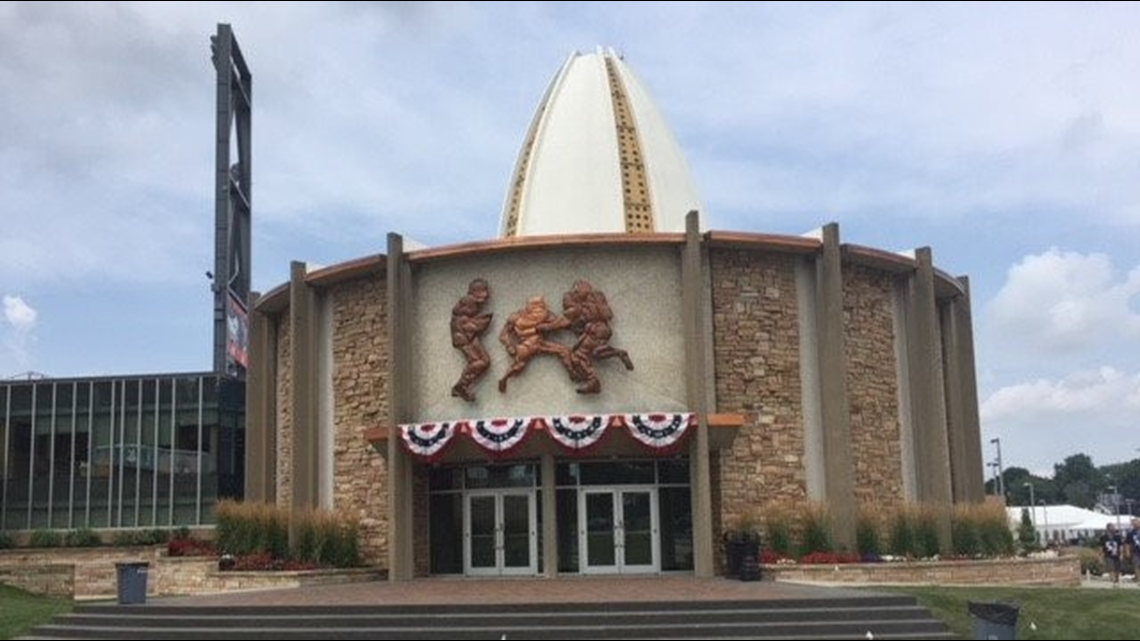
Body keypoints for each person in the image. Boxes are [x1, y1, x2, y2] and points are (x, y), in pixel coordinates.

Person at [560, 280, 634, 394]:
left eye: (576, 290)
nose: (574, 293)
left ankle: (593, 381)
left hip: (597, 329)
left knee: (578, 355)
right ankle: (618, 353)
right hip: (596, 330)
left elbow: (607, 315)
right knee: (597, 354)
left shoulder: (594, 299)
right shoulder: (585, 302)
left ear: (583, 288)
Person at [497, 296, 574, 393]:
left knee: (564, 351)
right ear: (529, 307)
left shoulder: (545, 315)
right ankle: (504, 378)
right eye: (536, 306)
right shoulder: (516, 317)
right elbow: (503, 335)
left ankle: (572, 372)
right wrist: (509, 346)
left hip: (539, 342)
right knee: (518, 365)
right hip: (526, 345)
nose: (539, 310)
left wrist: (568, 322)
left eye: (541, 307)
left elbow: (557, 324)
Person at [450, 279, 493, 402]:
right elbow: (462, 318)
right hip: (463, 335)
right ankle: (461, 386)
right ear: (474, 291)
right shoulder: (468, 301)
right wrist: (478, 323)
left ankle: (462, 385)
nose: (486, 296)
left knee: (484, 361)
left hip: (469, 334)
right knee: (478, 361)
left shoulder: (470, 302)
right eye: (483, 292)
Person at [1101, 522, 1123, 586]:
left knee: (1117, 568)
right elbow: (1101, 547)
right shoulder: (1104, 537)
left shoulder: (1117, 536)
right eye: (1112, 527)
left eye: (1114, 527)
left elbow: (1120, 545)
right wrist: (1101, 555)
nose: (1114, 528)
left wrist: (1121, 554)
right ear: (1108, 528)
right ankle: (1113, 581)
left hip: (1117, 554)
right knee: (1111, 568)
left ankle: (1116, 579)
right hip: (1108, 554)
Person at [1128, 517, 1140, 582]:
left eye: (1136, 523)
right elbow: (1128, 543)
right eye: (1133, 523)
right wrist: (1128, 552)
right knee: (1136, 565)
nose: (1135, 524)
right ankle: (1138, 579)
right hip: (1135, 551)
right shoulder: (1131, 533)